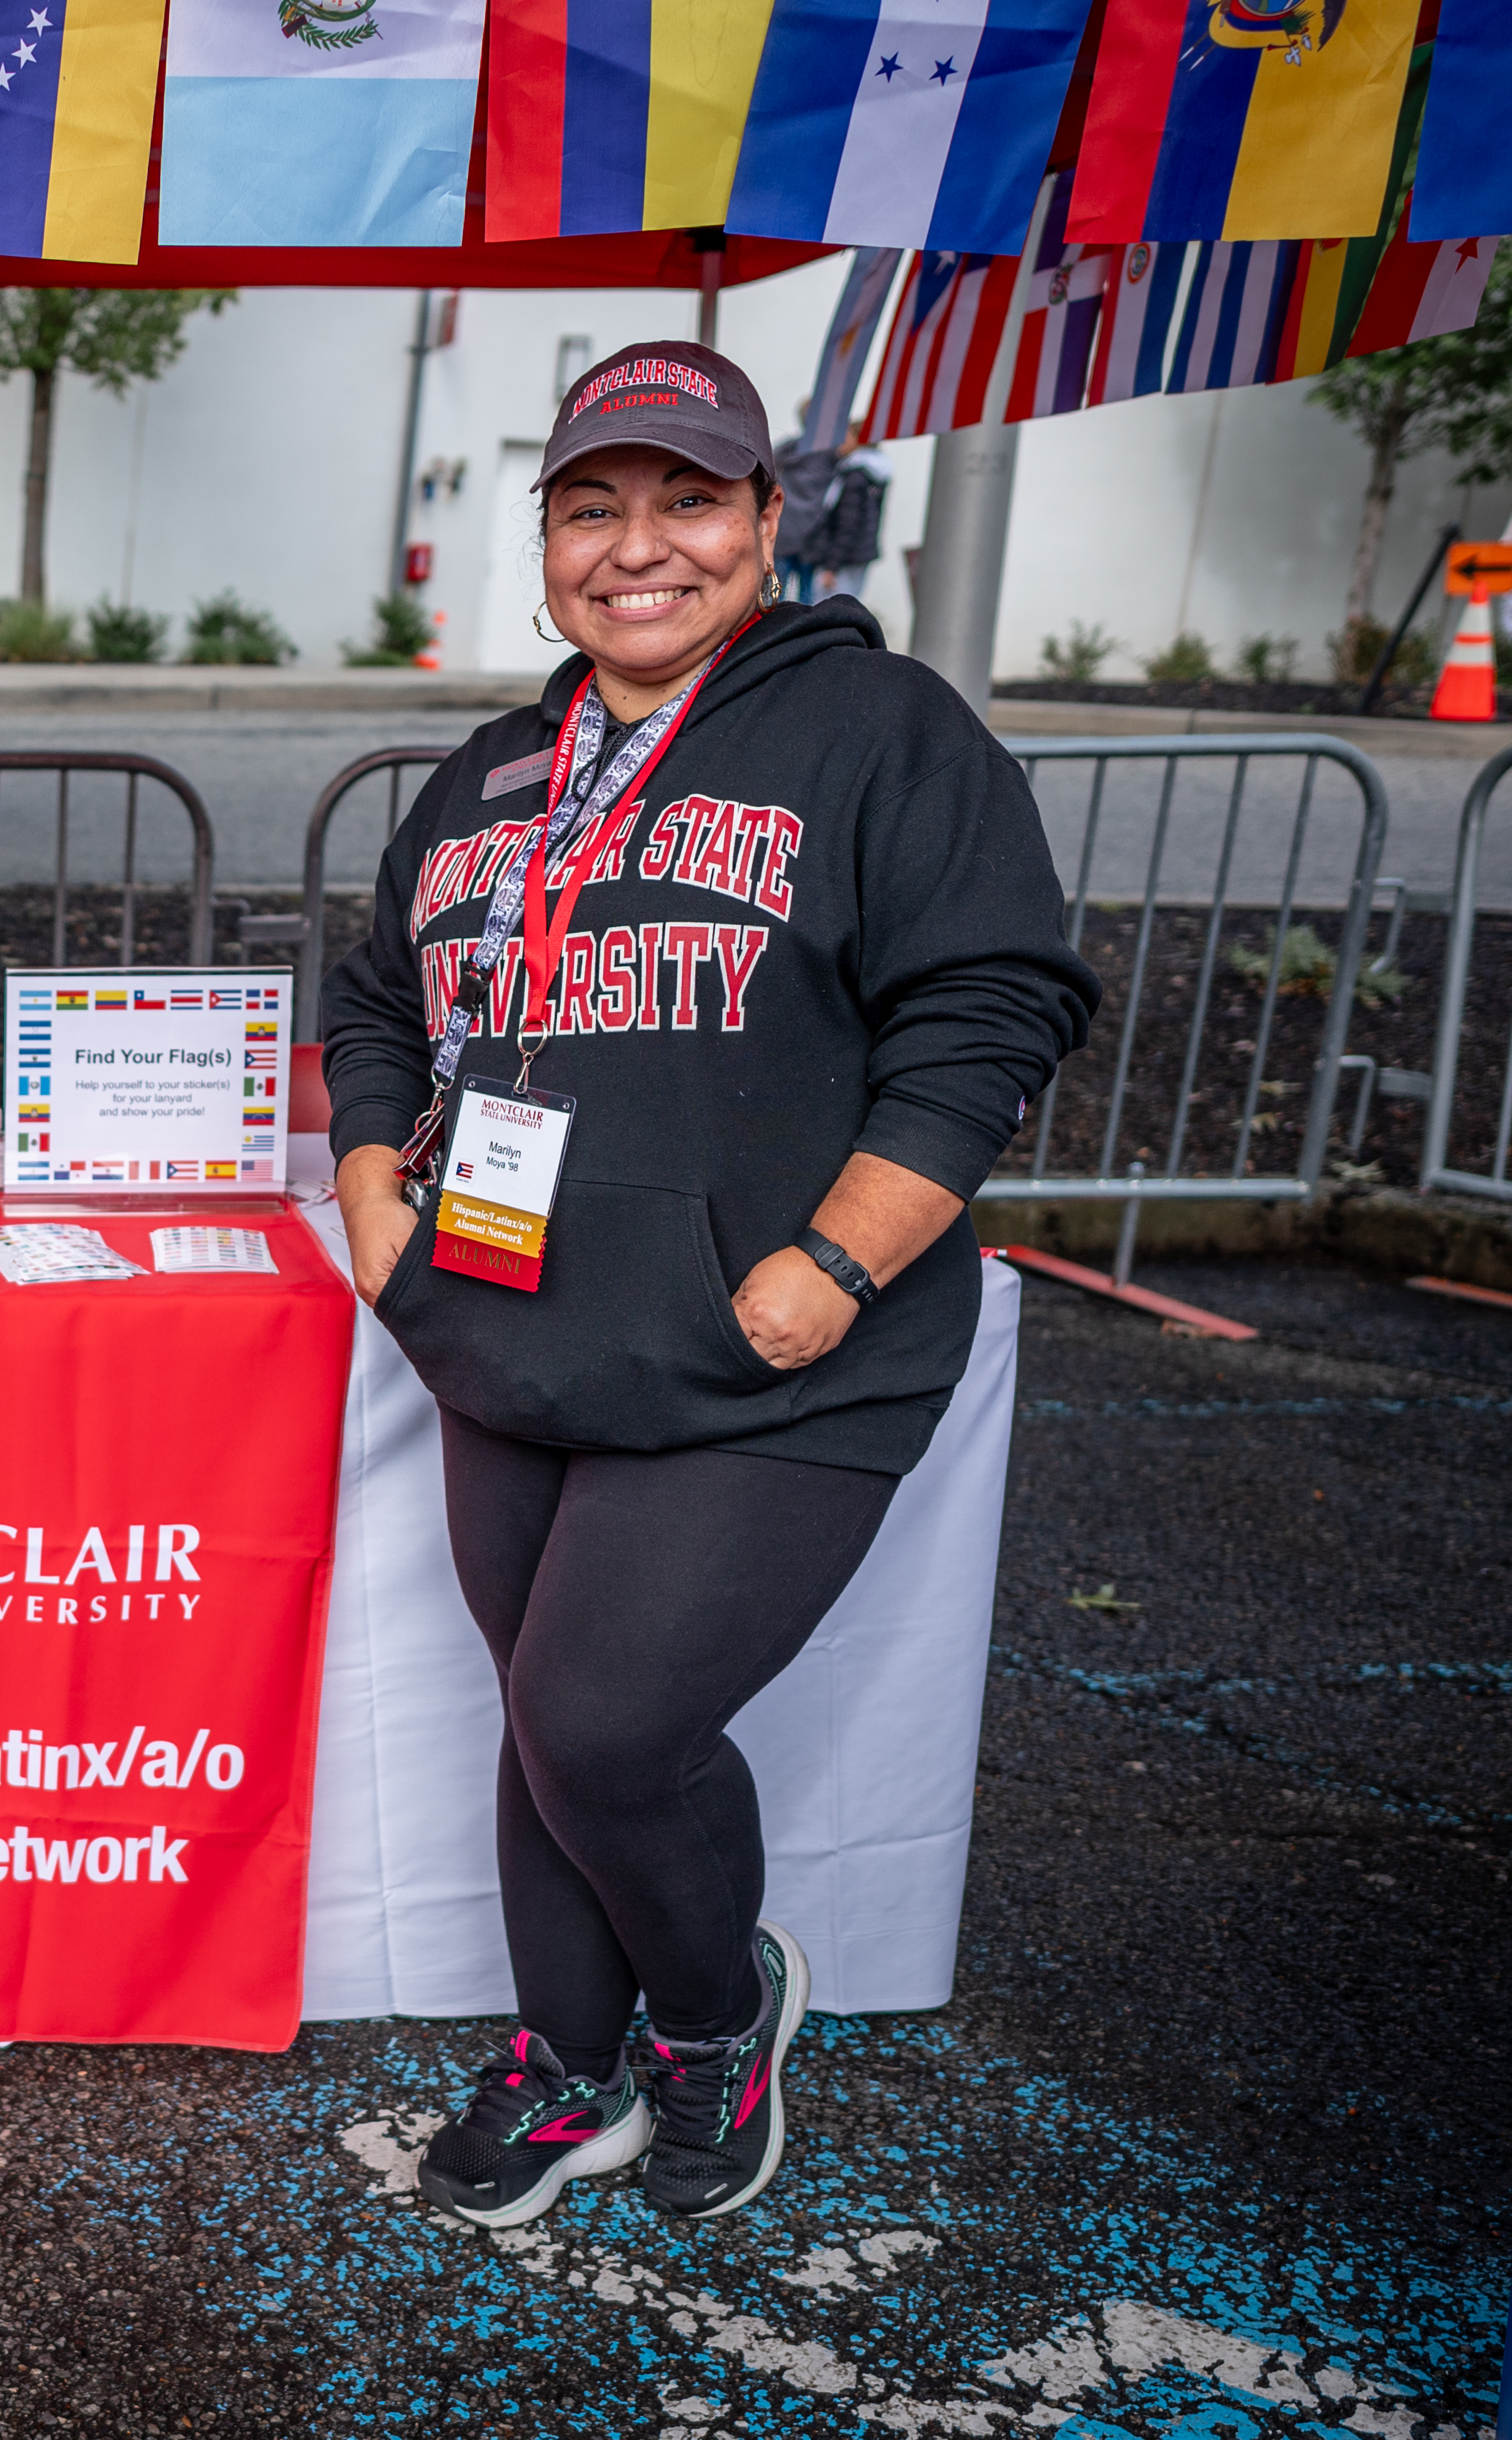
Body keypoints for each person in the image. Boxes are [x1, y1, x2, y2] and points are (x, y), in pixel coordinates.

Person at [319, 342, 1095, 2232]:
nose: (636, 546)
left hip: (776, 1356)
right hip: (513, 1332)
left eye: (686, 500)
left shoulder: (880, 730)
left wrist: (833, 1262)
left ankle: (713, 2015)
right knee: (544, 1722)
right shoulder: (491, 770)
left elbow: (989, 1005)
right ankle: (566, 2054)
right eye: (591, 506)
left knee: (602, 1724)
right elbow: (375, 994)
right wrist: (368, 1180)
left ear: (763, 522)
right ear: (544, 543)